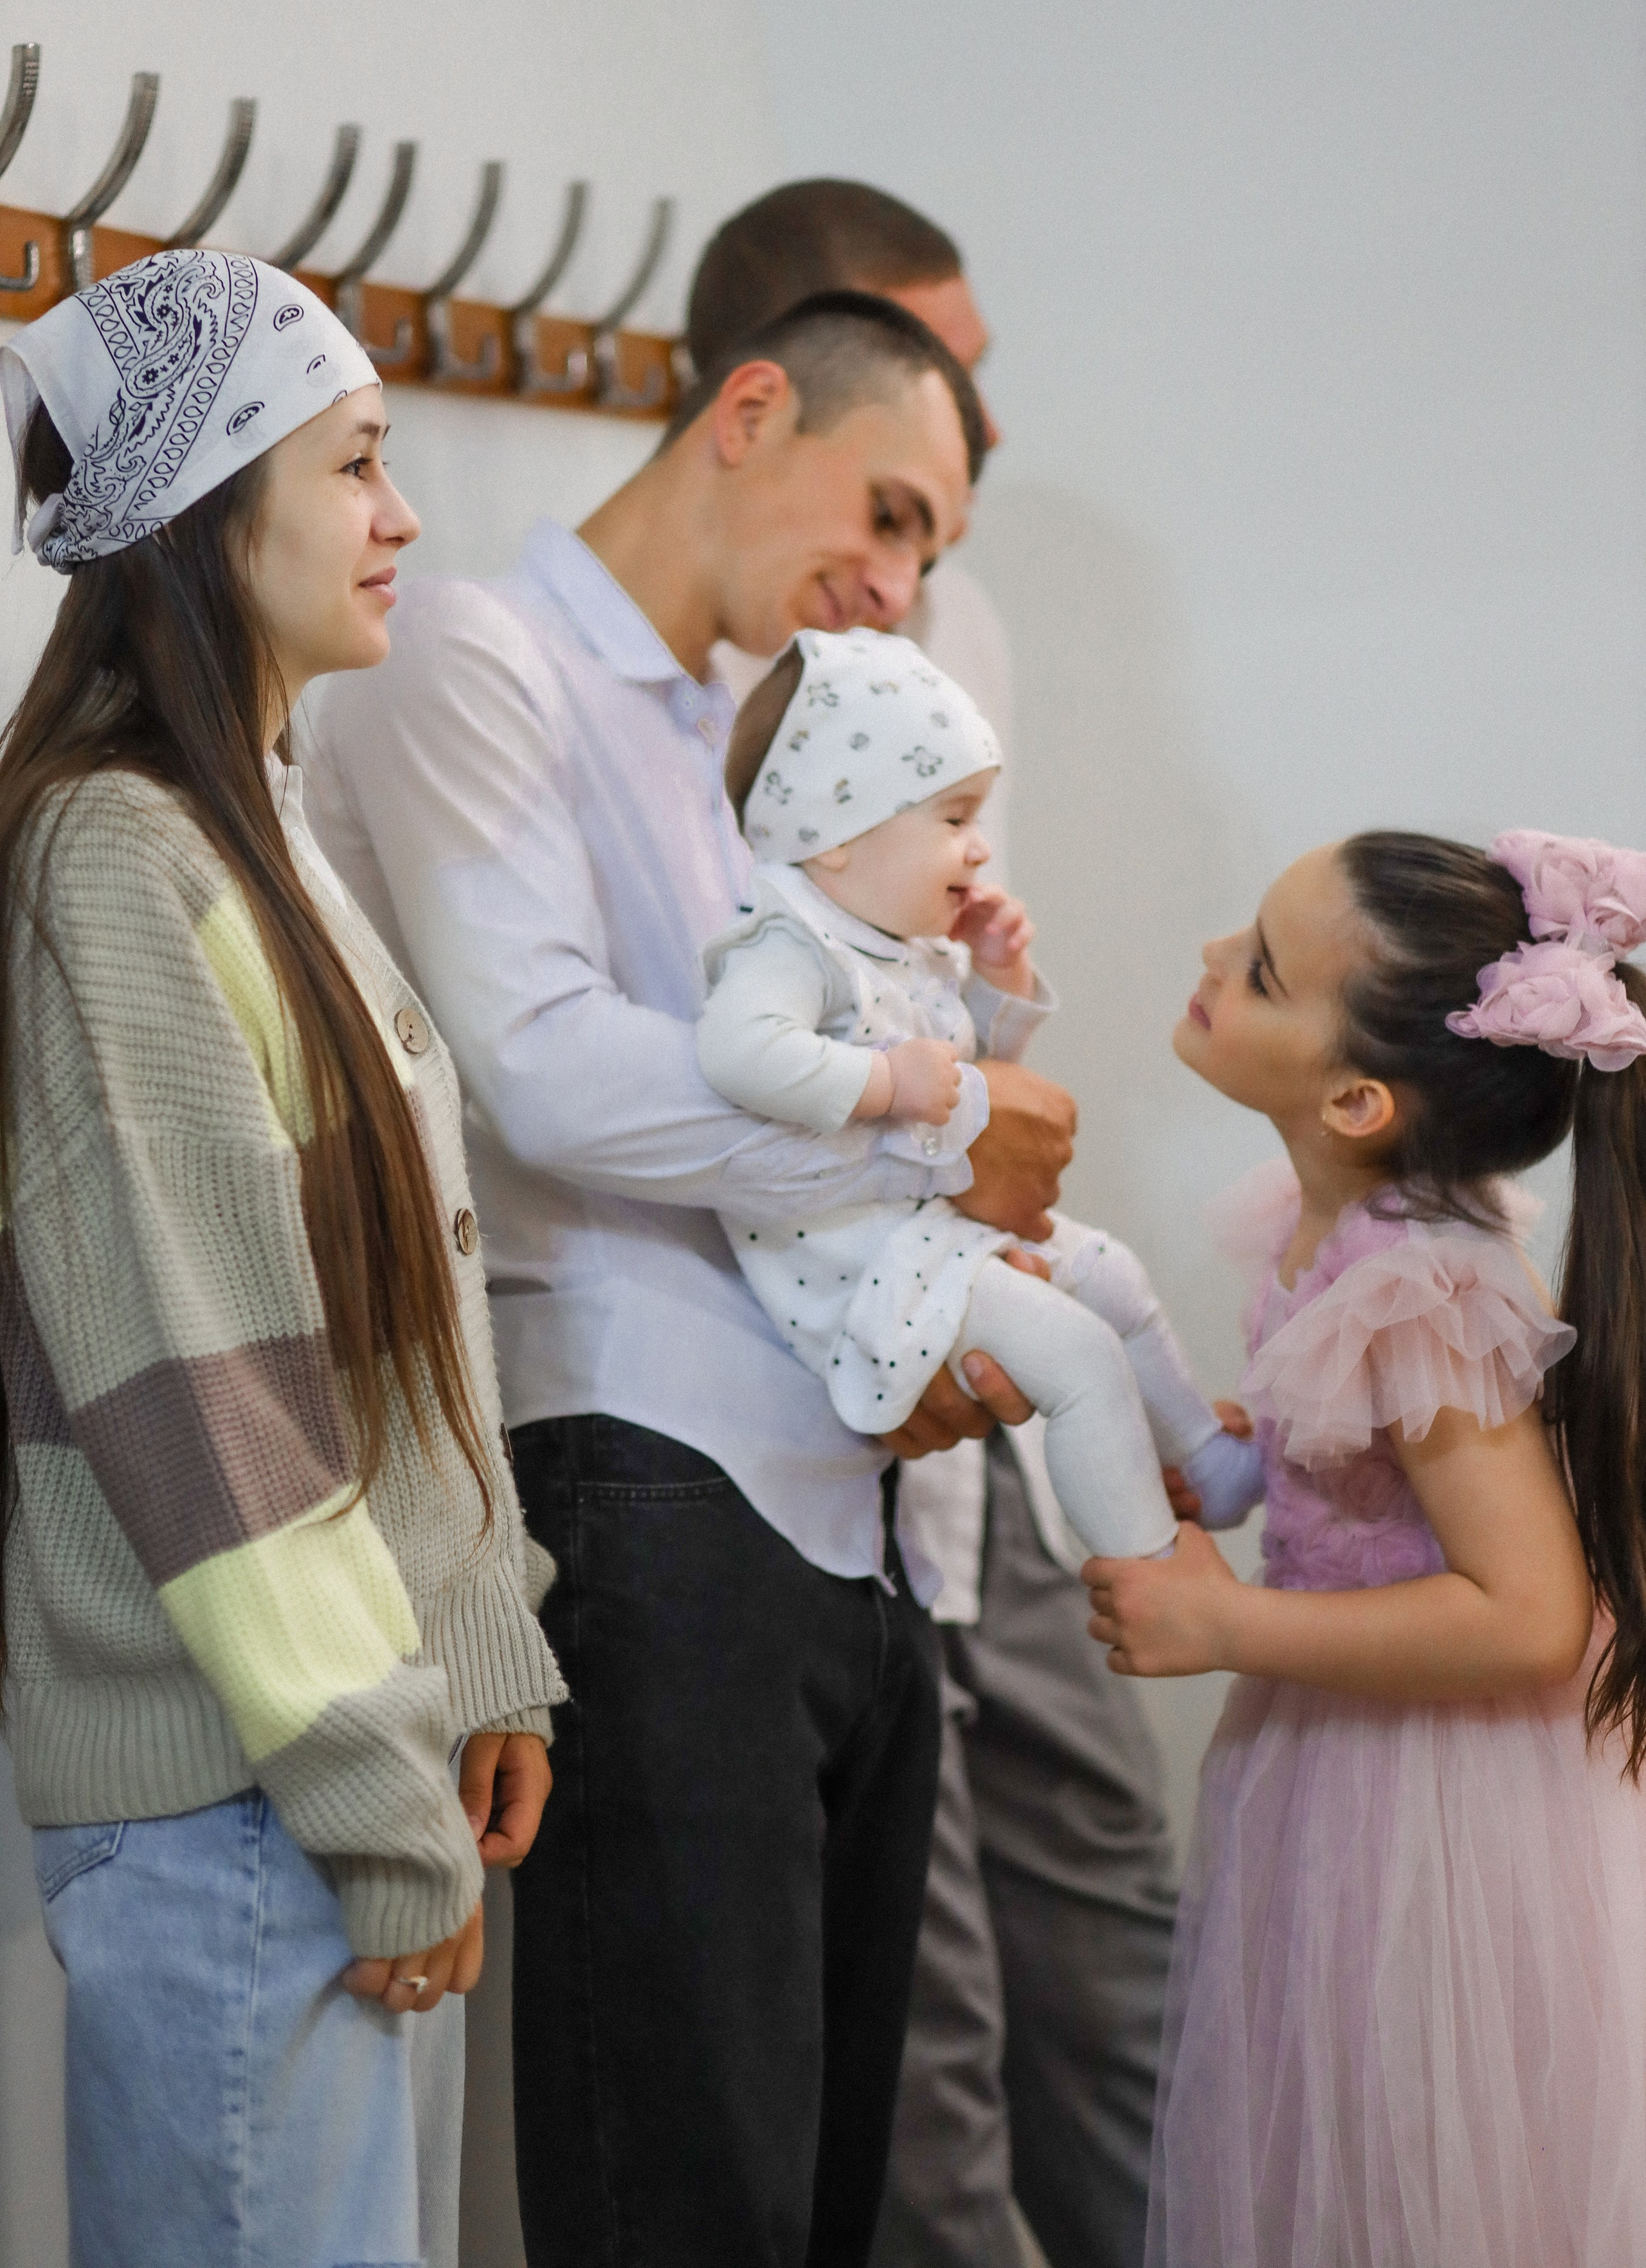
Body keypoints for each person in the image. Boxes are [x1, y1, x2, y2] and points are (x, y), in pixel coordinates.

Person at [297, 290, 1074, 2268]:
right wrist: (938, 1130)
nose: (897, 584)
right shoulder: (477, 650)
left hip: (837, 1503)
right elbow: (551, 1075)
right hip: (638, 1475)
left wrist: (963, 1078)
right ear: (750, 410)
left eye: (927, 550)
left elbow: (827, 1076)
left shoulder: (780, 746)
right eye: (888, 513)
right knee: (687, 2199)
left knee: (822, 2201)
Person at [0, 251, 565, 2268]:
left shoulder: (253, 821)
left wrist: (480, 1654)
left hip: (326, 1774)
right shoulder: (115, 854)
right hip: (253, 1803)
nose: (401, 514)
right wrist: (374, 1797)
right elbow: (205, 1389)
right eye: (355, 462)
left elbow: (388, 1322)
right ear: (209, 507)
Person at [691, 179, 1181, 2268]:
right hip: (838, 1394)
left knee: (1123, 1941)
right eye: (931, 390)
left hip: (989, 1408)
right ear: (782, 388)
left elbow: (947, 995)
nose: (970, 426)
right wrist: (930, 1107)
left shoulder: (941, 630)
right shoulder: (702, 716)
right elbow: (740, 1071)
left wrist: (991, 1022)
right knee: (931, 2043)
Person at [1088, 829, 1646, 2266]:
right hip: (1334, 1763)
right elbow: (1373, 1481)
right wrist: (1250, 1468)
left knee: (1415, 2184)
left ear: (1354, 1100)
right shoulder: (1329, 1228)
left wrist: (1228, 1626)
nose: (1214, 957)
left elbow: (1529, 1613)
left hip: (1432, 1808)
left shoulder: (1419, 1287)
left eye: (1262, 970)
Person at [699, 624, 1245, 1555]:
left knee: (1111, 1274)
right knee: (1079, 1358)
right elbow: (738, 1051)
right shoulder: (790, 944)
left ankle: (1208, 1460)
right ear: (836, 833)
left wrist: (997, 977)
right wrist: (885, 1081)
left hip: (936, 1231)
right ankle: (1151, 1569)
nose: (980, 850)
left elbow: (973, 1082)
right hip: (863, 1264)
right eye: (954, 820)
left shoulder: (895, 945)